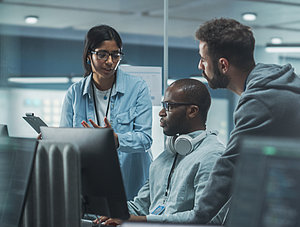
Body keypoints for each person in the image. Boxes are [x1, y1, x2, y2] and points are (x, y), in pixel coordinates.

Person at [194, 18, 300, 223]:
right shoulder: (275, 85)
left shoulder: (261, 100)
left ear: (223, 65)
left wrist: (196, 220)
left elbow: (229, 166)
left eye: (203, 59)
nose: (200, 65)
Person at [96, 78, 226, 225]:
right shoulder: (164, 157)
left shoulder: (212, 156)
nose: (161, 113)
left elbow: (206, 219)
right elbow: (140, 207)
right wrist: (107, 211)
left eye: (169, 106)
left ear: (192, 111)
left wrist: (140, 220)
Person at [60, 25, 153, 200]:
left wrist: (117, 140)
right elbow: (66, 140)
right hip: (90, 184)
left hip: (131, 187)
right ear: (89, 56)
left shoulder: (138, 88)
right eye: (102, 54)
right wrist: (51, 143)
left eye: (116, 55)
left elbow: (145, 140)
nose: (110, 61)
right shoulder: (74, 93)